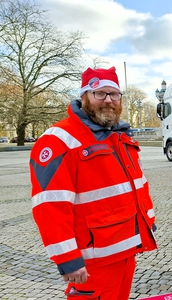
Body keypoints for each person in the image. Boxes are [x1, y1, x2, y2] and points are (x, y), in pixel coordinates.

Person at [29, 67, 157, 299]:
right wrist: (67, 258)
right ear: (84, 96)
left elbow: (137, 185)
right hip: (92, 261)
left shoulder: (119, 136)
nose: (108, 100)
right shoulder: (58, 138)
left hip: (124, 251)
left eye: (114, 94)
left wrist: (146, 222)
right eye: (99, 93)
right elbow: (50, 205)